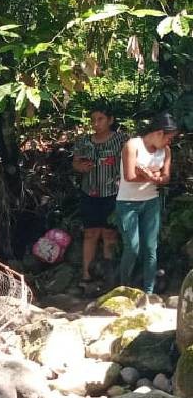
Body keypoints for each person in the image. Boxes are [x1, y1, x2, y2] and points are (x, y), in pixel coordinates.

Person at [116, 112, 178, 293]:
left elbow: (166, 177)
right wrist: (152, 177)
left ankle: (149, 291)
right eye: (168, 138)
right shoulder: (132, 145)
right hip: (127, 203)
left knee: (151, 247)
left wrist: (148, 175)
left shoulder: (165, 151)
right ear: (159, 133)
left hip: (151, 201)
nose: (169, 142)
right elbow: (129, 176)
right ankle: (123, 288)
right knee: (133, 247)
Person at [72, 104, 127, 282]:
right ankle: (87, 275)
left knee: (110, 234)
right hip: (90, 193)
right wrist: (81, 167)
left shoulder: (122, 140)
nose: (96, 123)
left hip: (113, 192)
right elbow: (75, 163)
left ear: (110, 120)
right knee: (90, 233)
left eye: (100, 119)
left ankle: (108, 276)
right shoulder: (84, 141)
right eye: (93, 120)